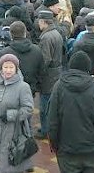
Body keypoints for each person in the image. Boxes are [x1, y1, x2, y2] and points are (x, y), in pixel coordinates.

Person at [49, 51, 94, 173]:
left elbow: (52, 120)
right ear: (88, 67)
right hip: (92, 150)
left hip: (67, 149)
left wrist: (54, 144)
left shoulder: (58, 86)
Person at [0, 53, 35, 173]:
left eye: (11, 67)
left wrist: (11, 115)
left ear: (16, 69)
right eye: (5, 67)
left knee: (10, 163)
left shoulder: (23, 87)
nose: (8, 70)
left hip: (14, 130)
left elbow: (28, 109)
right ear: (1, 68)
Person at [0, 21, 44, 96]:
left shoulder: (4, 53)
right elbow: (42, 71)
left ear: (10, 35)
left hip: (8, 90)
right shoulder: (37, 50)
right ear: (25, 33)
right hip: (29, 90)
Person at [36, 9, 64, 140]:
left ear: (43, 22)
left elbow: (45, 59)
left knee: (44, 105)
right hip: (56, 72)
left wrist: (39, 74)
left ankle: (45, 129)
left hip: (48, 75)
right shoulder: (56, 33)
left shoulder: (46, 37)